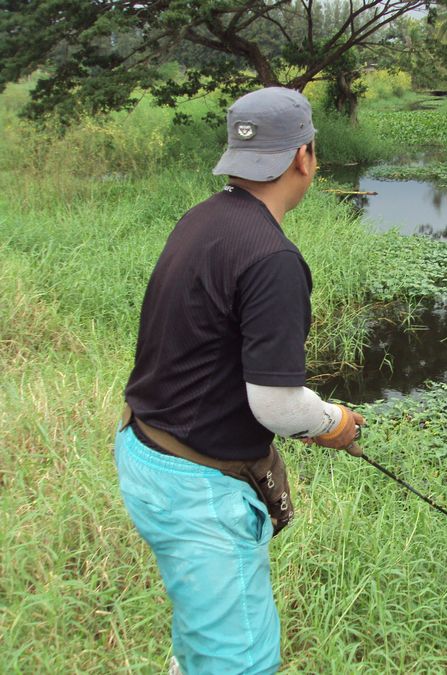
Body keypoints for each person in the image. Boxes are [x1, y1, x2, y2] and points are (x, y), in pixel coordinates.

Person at [114, 87, 365, 674]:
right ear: (304, 157)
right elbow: (276, 405)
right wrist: (337, 422)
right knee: (241, 662)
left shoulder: (203, 217)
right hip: (195, 488)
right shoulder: (273, 259)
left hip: (145, 451)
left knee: (203, 632)